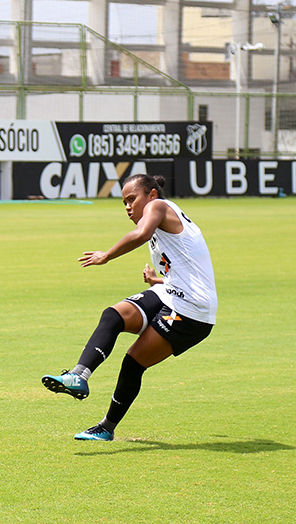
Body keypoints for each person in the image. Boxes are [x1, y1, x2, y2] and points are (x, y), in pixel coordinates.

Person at [41, 174, 217, 440]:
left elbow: (140, 235)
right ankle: (79, 376)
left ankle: (106, 427)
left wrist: (107, 256)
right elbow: (188, 266)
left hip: (192, 309)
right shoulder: (162, 220)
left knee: (133, 362)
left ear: (152, 195)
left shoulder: (158, 207)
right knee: (114, 315)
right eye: (124, 202)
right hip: (170, 292)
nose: (127, 207)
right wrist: (157, 279)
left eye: (132, 199)